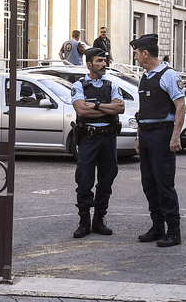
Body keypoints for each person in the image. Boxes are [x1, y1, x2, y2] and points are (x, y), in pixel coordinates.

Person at [130, 33, 186, 247]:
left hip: (162, 134)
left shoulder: (168, 75)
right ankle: (157, 227)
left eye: (137, 53)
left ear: (146, 53)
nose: (135, 57)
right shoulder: (145, 76)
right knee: (149, 184)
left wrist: (175, 136)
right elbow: (142, 111)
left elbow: (181, 106)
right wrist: (138, 137)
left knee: (164, 184)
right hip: (145, 134)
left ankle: (173, 231)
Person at [70, 47, 125, 238]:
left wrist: (96, 105)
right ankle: (84, 221)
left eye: (104, 61)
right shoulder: (79, 86)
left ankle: (99, 220)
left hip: (108, 138)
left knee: (106, 180)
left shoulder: (112, 85)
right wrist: (107, 110)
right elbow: (82, 111)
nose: (103, 64)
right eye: (99, 61)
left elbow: (120, 108)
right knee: (84, 180)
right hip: (89, 138)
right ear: (89, 64)